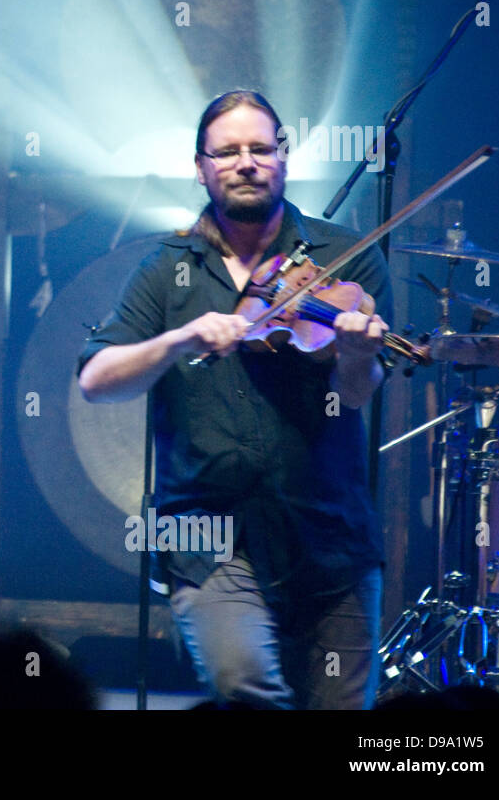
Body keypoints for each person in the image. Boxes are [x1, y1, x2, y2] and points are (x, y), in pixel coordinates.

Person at [77, 90, 391, 709]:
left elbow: (355, 396)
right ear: (201, 168)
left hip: (329, 535)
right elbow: (96, 379)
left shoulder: (343, 259)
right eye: (227, 152)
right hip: (207, 535)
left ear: (282, 157)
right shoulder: (167, 268)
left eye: (259, 148)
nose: (245, 162)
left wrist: (356, 353)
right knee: (243, 683)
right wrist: (178, 338)